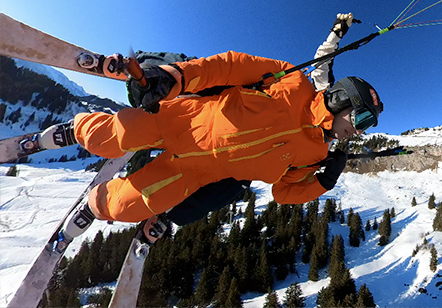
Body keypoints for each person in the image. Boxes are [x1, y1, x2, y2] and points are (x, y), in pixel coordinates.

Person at [40, 14, 383, 242]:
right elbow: (229, 67)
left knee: (128, 207)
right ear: (341, 100)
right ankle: (78, 128)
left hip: (195, 172)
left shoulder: (317, 153)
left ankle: (94, 206)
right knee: (112, 137)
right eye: (362, 120)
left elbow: (283, 193)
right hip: (183, 121)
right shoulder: (291, 80)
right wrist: (177, 77)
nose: (360, 132)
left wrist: (324, 180)